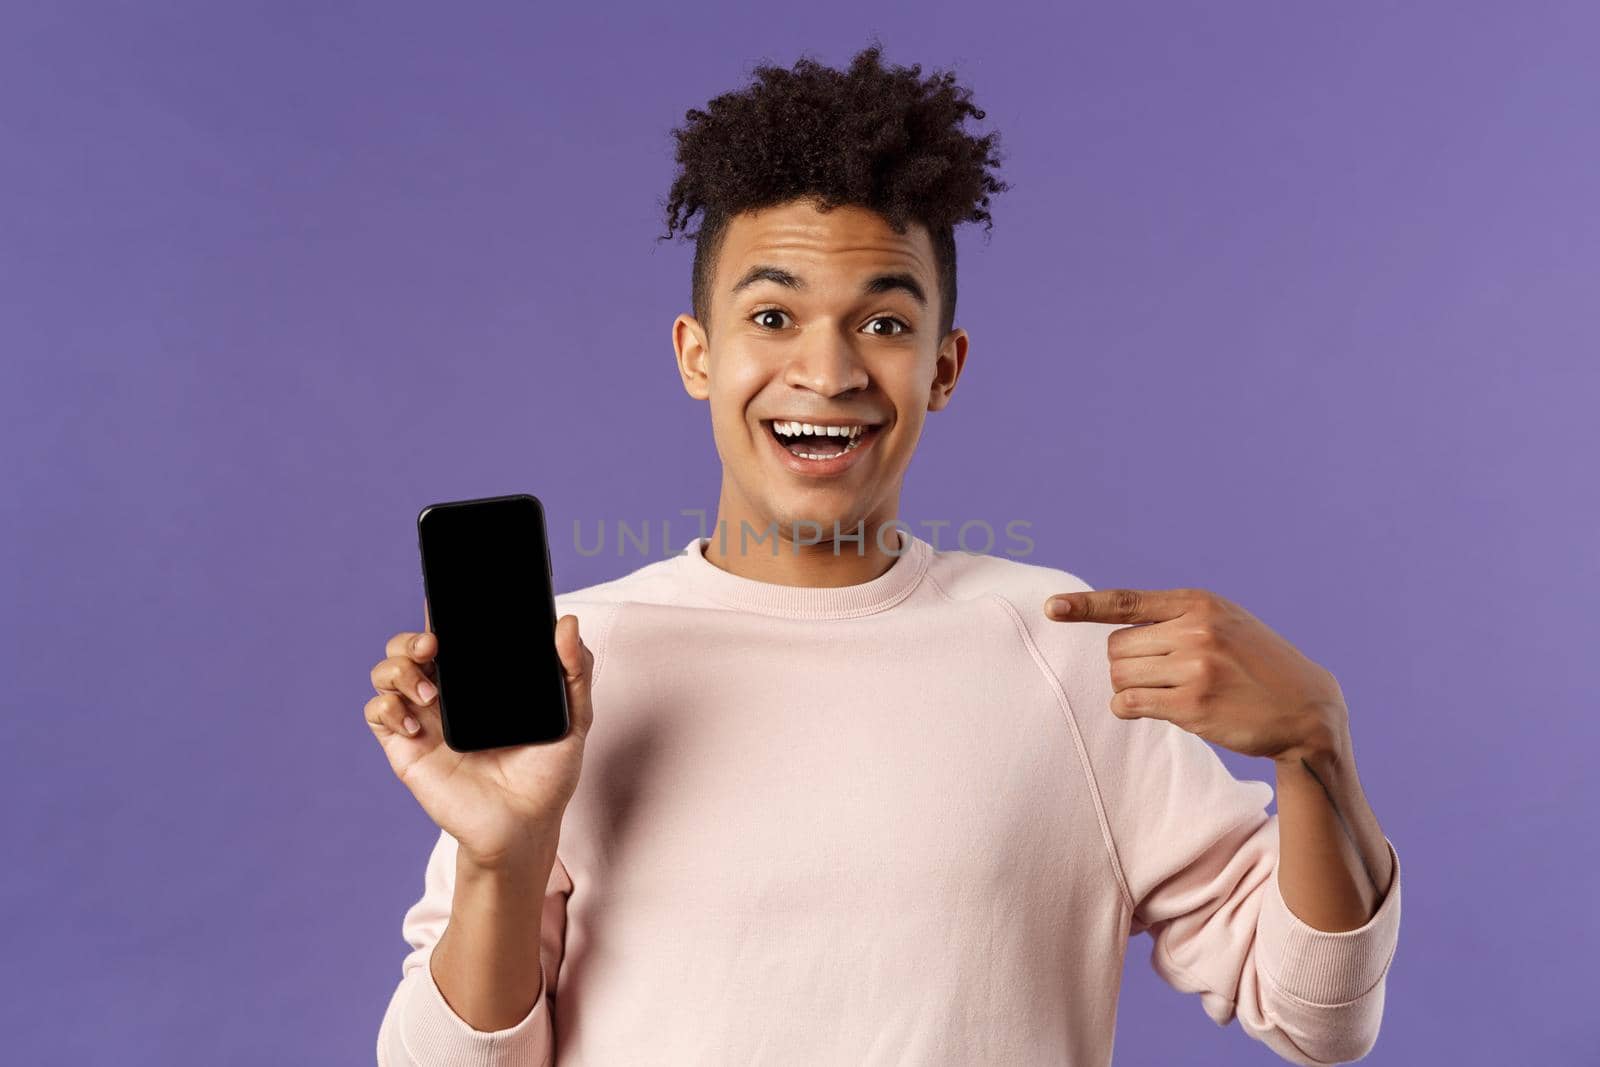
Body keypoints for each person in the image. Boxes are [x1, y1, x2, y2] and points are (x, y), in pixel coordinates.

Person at [366, 43, 1401, 1066]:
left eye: (884, 322)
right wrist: (501, 857)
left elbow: (1318, 1017)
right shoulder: (573, 668)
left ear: (943, 366)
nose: (826, 369)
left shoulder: (1062, 650)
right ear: (697, 353)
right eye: (772, 316)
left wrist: (1318, 750)